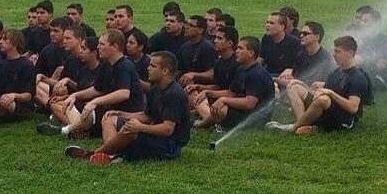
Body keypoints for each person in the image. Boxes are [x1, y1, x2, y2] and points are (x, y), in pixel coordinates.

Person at [63, 52, 191, 165]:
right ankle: (113, 155)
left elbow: (168, 129)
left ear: (165, 71)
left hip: (170, 145)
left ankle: (93, 153)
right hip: (157, 138)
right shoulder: (156, 88)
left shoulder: (173, 93)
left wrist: (140, 127)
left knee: (130, 130)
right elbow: (147, 116)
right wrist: (120, 114)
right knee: (111, 119)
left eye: (152, 66)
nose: (148, 68)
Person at [38, 29, 144, 137]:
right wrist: (75, 95)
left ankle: (68, 130)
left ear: (115, 47)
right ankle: (75, 129)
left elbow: (124, 93)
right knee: (68, 106)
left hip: (127, 113)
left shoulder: (125, 65)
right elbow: (97, 89)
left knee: (89, 113)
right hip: (109, 109)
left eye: (102, 44)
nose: (98, 47)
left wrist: (95, 102)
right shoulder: (106, 64)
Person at [274, 35, 372, 135]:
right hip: (328, 111)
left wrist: (331, 93)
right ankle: (304, 125)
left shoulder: (357, 77)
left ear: (350, 53)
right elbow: (320, 94)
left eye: (337, 51)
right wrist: (303, 85)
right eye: (333, 51)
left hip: (343, 119)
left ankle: (294, 127)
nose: (333, 54)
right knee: (293, 87)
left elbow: (353, 108)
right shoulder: (337, 72)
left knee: (323, 99)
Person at [269, 21, 336, 126]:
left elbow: (320, 86)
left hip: (319, 98)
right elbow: (297, 80)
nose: (301, 35)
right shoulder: (302, 54)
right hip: (302, 90)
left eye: (305, 33)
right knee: (278, 85)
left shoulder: (325, 59)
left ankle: (301, 124)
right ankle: (301, 122)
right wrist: (276, 80)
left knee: (292, 88)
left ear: (316, 37)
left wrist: (295, 83)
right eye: (301, 33)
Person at [209, 36, 275, 129]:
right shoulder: (241, 69)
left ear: (251, 53)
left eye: (240, 48)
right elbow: (231, 93)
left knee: (222, 108)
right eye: (237, 48)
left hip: (255, 118)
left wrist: (223, 100)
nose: (236, 51)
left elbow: (249, 103)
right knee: (208, 99)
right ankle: (211, 118)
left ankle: (202, 123)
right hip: (243, 111)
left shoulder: (256, 74)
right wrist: (207, 93)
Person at [190, 25, 239, 128]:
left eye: (220, 38)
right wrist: (198, 87)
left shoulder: (237, 63)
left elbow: (233, 93)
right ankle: (212, 119)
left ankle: (205, 121)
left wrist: (207, 92)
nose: (215, 41)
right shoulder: (218, 62)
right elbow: (217, 86)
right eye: (216, 38)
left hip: (230, 101)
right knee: (193, 95)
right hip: (218, 97)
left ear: (230, 43)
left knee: (219, 108)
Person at [0, 29, 37, 122]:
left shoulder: (26, 65)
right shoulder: (0, 66)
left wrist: (14, 96)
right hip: (2, 100)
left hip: (22, 104)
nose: (0, 42)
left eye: (5, 39)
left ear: (15, 43)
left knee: (8, 104)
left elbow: (28, 95)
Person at [354, 5, 387, 91]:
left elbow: (381, 66)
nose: (361, 24)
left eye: (365, 21)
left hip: (381, 78)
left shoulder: (385, 41)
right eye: (361, 21)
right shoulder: (362, 39)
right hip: (364, 75)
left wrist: (362, 61)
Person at [260, 12, 300, 77]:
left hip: (284, 76)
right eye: (267, 22)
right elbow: (261, 59)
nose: (267, 25)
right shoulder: (266, 38)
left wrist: (291, 69)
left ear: (282, 27)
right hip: (267, 73)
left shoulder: (294, 42)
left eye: (272, 23)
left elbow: (299, 64)